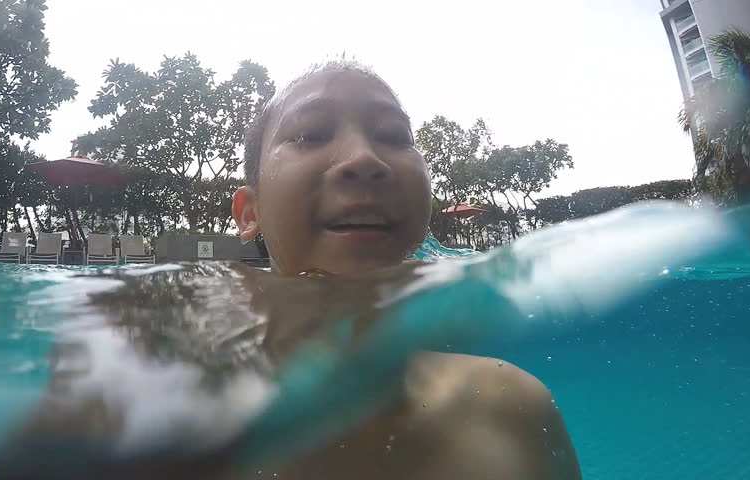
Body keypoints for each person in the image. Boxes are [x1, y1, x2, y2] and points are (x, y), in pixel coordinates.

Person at [231, 61, 582, 479]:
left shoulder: (513, 408)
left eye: (395, 137)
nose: (364, 158)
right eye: (309, 134)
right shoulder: (171, 429)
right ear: (248, 213)